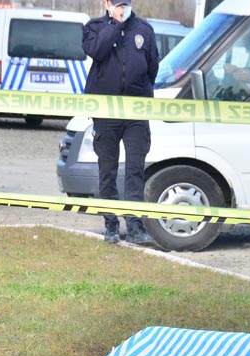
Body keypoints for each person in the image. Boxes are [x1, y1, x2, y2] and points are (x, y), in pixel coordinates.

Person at [83, 0, 159, 245]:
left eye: (125, 3)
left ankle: (135, 227)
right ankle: (111, 224)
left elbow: (152, 68)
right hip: (106, 111)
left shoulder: (144, 30)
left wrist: (140, 91)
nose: (122, 8)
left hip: (136, 111)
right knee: (108, 170)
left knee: (135, 170)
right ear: (106, 3)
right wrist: (114, 24)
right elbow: (97, 51)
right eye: (117, 3)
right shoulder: (94, 27)